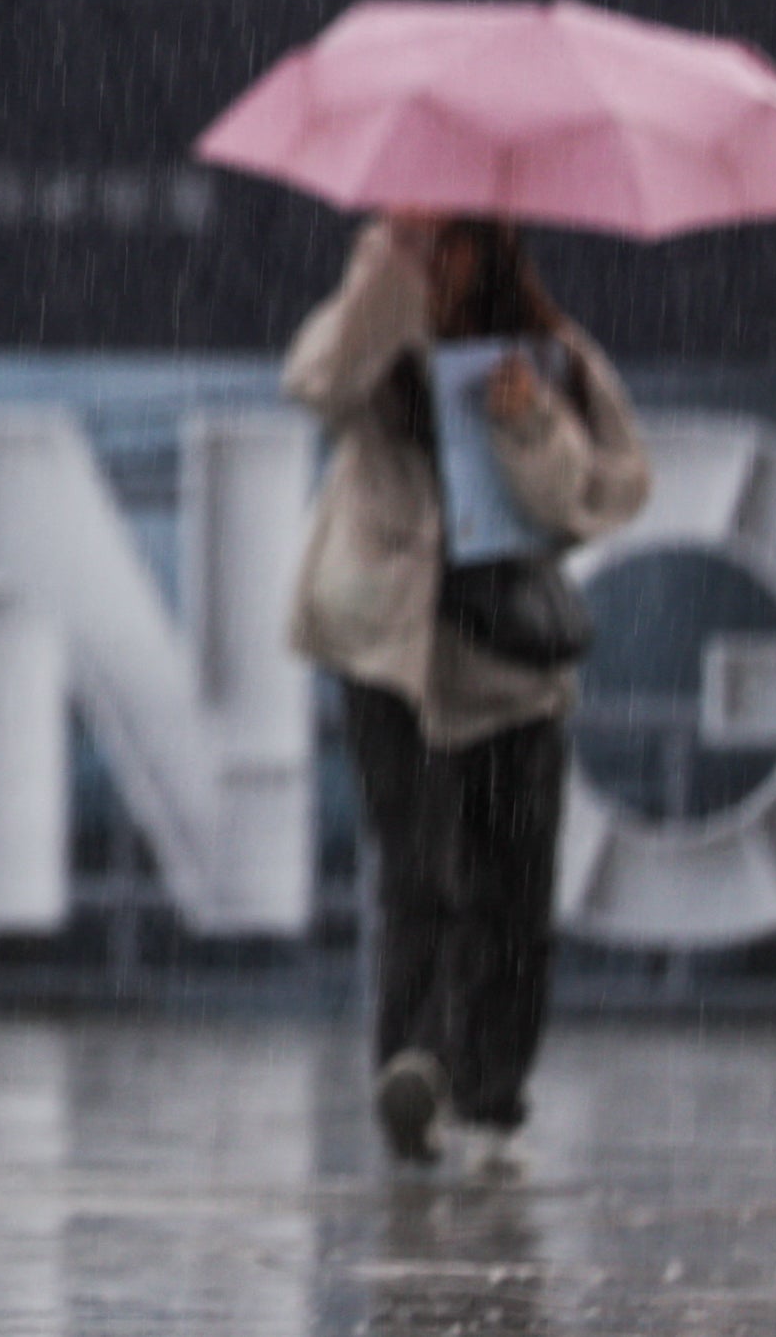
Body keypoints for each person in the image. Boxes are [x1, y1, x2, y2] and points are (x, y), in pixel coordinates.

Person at [283, 213, 648, 1173]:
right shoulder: (379, 336)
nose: (436, 266)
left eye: (454, 248)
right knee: (415, 874)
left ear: (493, 256)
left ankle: (489, 1099)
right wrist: (383, 279)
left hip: (508, 668)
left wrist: (526, 420)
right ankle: (413, 1069)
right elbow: (316, 382)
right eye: (421, 244)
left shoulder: (547, 351)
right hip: (390, 657)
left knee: (512, 893)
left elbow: (602, 494)